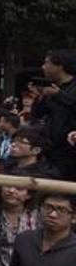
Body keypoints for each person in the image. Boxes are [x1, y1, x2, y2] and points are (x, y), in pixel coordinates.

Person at [36, 49, 76, 178]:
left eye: (47, 63)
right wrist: (41, 97)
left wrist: (59, 95)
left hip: (70, 150)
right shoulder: (51, 88)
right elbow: (37, 114)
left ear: (59, 66)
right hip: (50, 148)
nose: (43, 67)